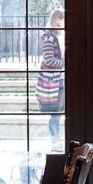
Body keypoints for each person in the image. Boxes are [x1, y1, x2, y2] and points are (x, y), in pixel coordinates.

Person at [36, 8, 65, 143]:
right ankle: (55, 141)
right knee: (56, 114)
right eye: (57, 23)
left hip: (61, 79)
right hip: (54, 81)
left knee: (60, 113)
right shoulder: (49, 37)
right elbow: (49, 59)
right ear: (52, 22)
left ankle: (59, 140)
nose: (60, 26)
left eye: (62, 22)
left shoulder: (61, 37)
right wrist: (64, 63)